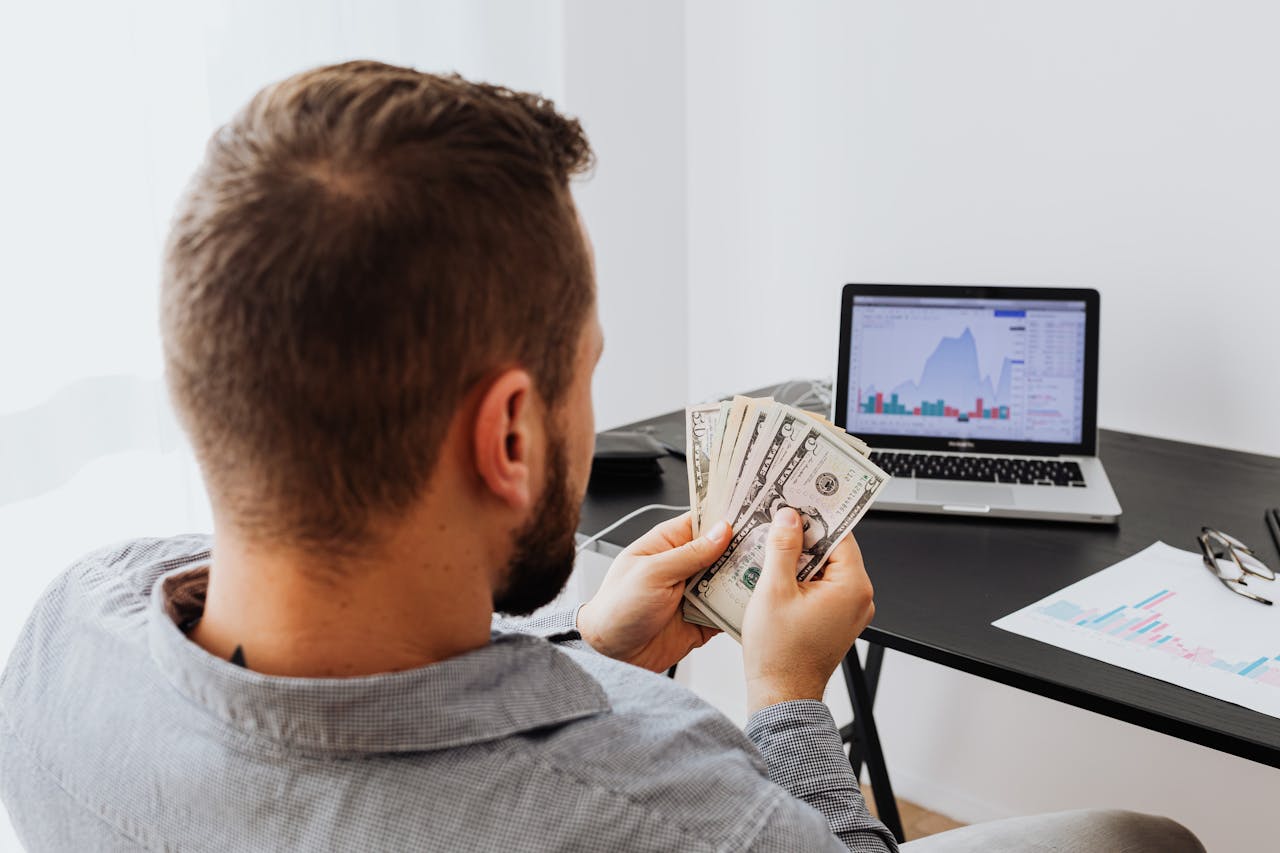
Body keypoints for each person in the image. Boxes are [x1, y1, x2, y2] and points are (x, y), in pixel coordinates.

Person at [0, 61, 1203, 852]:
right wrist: (785, 698)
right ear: (511, 435)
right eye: (588, 372)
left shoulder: (64, 628)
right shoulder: (661, 808)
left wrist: (583, 648)